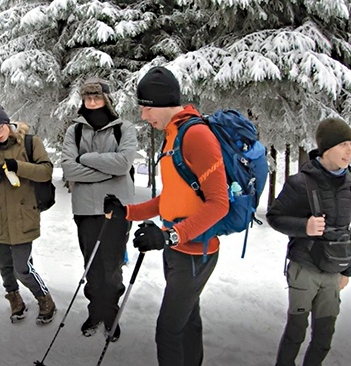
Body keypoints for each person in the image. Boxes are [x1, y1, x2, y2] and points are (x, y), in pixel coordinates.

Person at [104, 66, 229, 364]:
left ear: (162, 103)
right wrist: (128, 212)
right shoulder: (172, 136)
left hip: (195, 253)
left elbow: (219, 203)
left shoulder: (197, 136)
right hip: (176, 249)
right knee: (188, 321)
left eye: (146, 108)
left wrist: (170, 235)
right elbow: (171, 198)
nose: (144, 116)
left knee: (168, 331)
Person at [267, 118, 351, 366]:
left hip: (333, 273)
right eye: (343, 144)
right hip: (304, 269)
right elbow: (274, 217)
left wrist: (347, 269)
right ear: (326, 149)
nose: (350, 150)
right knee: (295, 334)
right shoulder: (300, 183)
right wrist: (304, 227)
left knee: (324, 338)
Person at [61, 78, 137, 342]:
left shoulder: (124, 128)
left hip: (116, 207)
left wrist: (85, 160)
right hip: (84, 208)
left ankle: (111, 314)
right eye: (87, 98)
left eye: (97, 98)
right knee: (91, 265)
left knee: (112, 265)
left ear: (107, 99)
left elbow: (123, 163)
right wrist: (106, 171)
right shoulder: (75, 131)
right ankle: (95, 312)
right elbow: (68, 169)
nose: (92, 103)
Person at [0, 105, 57, 324]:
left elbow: (46, 172)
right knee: (4, 266)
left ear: (8, 123)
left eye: (0, 127)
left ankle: (44, 299)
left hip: (23, 215)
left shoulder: (30, 142)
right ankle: (15, 299)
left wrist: (18, 166)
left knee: (22, 267)